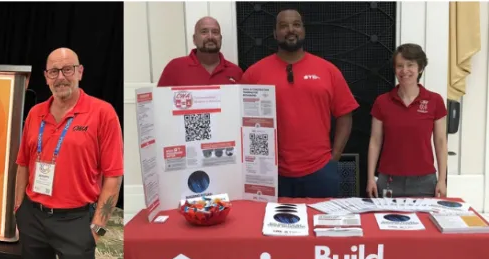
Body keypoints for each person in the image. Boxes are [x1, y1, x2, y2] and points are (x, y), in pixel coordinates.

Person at [13, 48, 123, 259]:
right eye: (54, 71)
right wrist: (19, 208)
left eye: (67, 69)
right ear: (45, 77)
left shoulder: (102, 113)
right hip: (34, 216)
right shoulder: (35, 114)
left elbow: (113, 176)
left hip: (77, 220)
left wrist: (99, 225)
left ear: (80, 72)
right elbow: (22, 163)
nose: (61, 77)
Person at [241, 9, 359, 198]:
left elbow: (345, 114)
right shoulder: (254, 74)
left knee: (320, 226)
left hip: (321, 171)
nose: (290, 30)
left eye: (296, 24)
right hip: (270, 172)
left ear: (303, 30)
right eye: (283, 26)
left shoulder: (328, 71)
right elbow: (241, 123)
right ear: (274, 33)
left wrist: (333, 158)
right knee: (272, 226)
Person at [366, 44, 448, 198]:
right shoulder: (382, 102)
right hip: (388, 181)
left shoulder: (435, 101)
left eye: (410, 65)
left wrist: (442, 180)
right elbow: (375, 140)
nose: (405, 71)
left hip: (425, 181)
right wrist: (371, 178)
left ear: (421, 68)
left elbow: (441, 141)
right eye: (399, 66)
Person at [156, 16, 243, 86]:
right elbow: (161, 103)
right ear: (194, 39)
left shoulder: (236, 72)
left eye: (215, 32)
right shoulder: (174, 68)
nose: (210, 37)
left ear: (220, 38)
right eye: (204, 32)